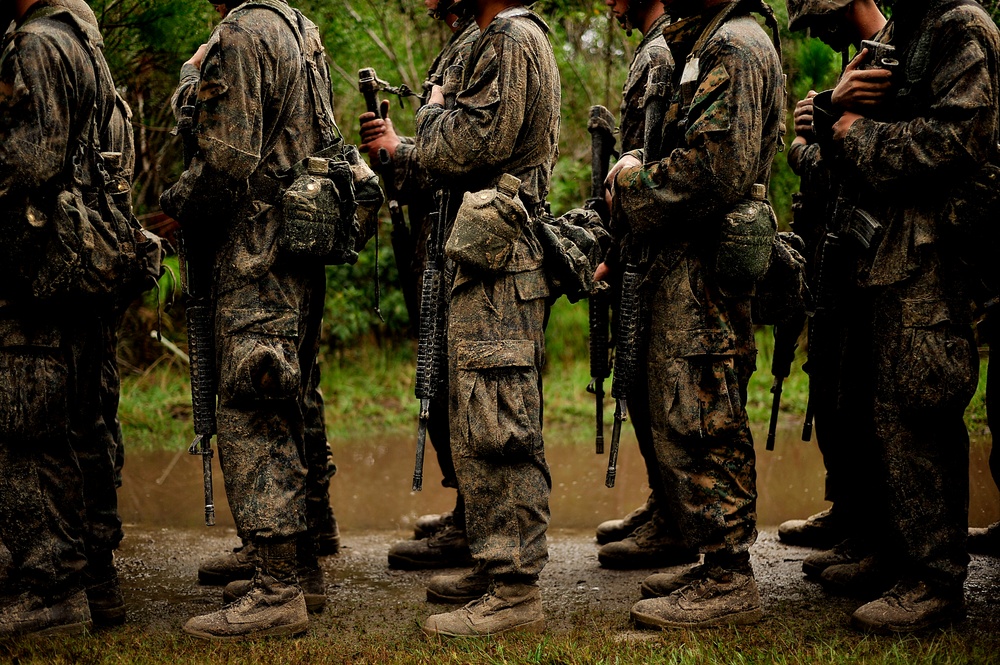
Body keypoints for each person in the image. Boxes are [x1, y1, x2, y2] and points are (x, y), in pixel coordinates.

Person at [160, 0, 374, 639]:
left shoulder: (241, 34)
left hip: (255, 250)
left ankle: (276, 587)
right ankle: (298, 561)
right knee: (292, 395)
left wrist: (176, 206)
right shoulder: (298, 28)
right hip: (295, 247)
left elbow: (224, 160)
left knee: (254, 400)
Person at [364, 0, 559, 637]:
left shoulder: (510, 40)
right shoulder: (494, 38)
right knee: (478, 417)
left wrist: (430, 111)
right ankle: (490, 559)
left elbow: (475, 140)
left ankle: (514, 588)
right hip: (482, 260)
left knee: (500, 421)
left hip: (501, 263)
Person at [602, 0, 785, 628]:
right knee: (685, 410)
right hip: (684, 265)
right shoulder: (705, 42)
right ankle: (711, 560)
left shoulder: (733, 45)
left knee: (705, 413)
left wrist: (632, 182)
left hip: (704, 271)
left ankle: (730, 577)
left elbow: (716, 172)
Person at [819, 0, 999, 632]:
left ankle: (935, 578)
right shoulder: (908, 27)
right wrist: (827, 113)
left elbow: (962, 138)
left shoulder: (963, 25)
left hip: (932, 254)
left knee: (918, 407)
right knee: (880, 407)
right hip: (888, 249)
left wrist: (858, 135)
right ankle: (896, 555)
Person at [0, 0, 144, 637]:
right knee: (86, 420)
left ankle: (47, 584)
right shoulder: (86, 42)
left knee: (31, 428)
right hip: (86, 263)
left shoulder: (34, 44)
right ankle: (97, 580)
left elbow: (31, 161)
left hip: (38, 272)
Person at [359, 0, 479, 572]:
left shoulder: (492, 42)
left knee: (461, 389)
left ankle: (476, 519)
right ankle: (466, 509)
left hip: (463, 246)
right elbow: (435, 156)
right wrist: (394, 151)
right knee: (438, 380)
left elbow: (461, 152)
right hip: (436, 240)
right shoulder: (459, 46)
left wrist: (405, 148)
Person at [777, 0, 889, 563]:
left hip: (877, 257)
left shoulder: (891, 59)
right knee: (830, 385)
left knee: (862, 396)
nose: (819, 33)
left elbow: (849, 155)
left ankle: (874, 531)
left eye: (823, 19)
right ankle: (849, 510)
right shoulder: (859, 59)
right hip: (834, 253)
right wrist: (824, 114)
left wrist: (814, 130)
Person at [591, 0, 699, 572]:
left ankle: (677, 519)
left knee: (660, 390)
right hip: (636, 244)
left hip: (657, 247)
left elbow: (652, 162)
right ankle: (666, 506)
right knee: (639, 381)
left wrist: (623, 243)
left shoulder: (662, 53)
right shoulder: (654, 48)